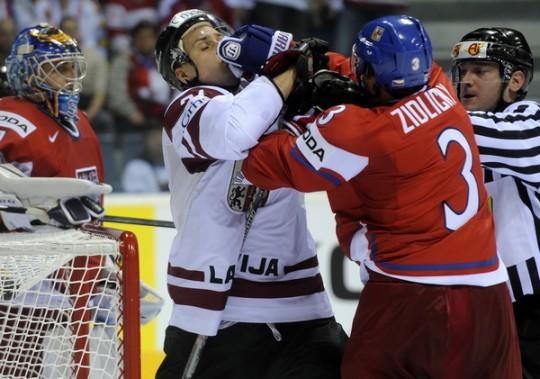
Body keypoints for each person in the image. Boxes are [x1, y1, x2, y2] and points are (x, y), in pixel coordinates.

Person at [235, 15, 521, 378]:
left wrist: (295, 115)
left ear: (370, 71)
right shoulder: (438, 86)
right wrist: (317, 58)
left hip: (410, 296)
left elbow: (259, 164)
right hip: (489, 294)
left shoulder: (358, 133)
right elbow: (383, 80)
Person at [154, 9, 346, 379]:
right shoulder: (188, 106)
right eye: (205, 45)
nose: (223, 46)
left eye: (222, 35)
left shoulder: (273, 95)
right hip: (221, 317)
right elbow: (234, 130)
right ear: (183, 72)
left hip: (300, 306)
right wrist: (288, 65)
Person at [451, 27, 540, 378]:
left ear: (515, 80)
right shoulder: (451, 131)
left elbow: (474, 134)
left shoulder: (531, 122)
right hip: (479, 308)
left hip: (532, 310)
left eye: (481, 71)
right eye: (462, 71)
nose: (466, 81)